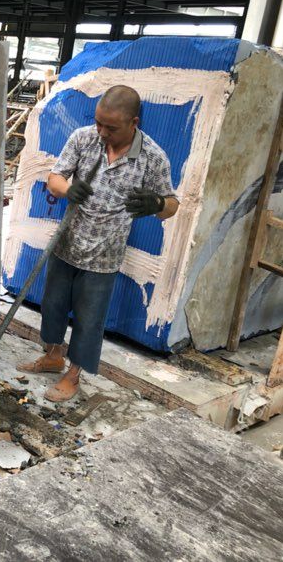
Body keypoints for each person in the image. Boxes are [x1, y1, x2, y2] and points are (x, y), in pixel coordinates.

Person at [18, 85, 179, 401]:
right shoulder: (84, 138)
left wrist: (158, 203)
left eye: (111, 128)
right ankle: (53, 356)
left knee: (89, 319)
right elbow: (55, 178)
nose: (102, 132)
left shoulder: (152, 157)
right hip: (67, 243)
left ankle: (73, 375)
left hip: (103, 255)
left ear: (133, 123)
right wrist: (67, 189)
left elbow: (172, 204)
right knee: (52, 306)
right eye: (98, 123)